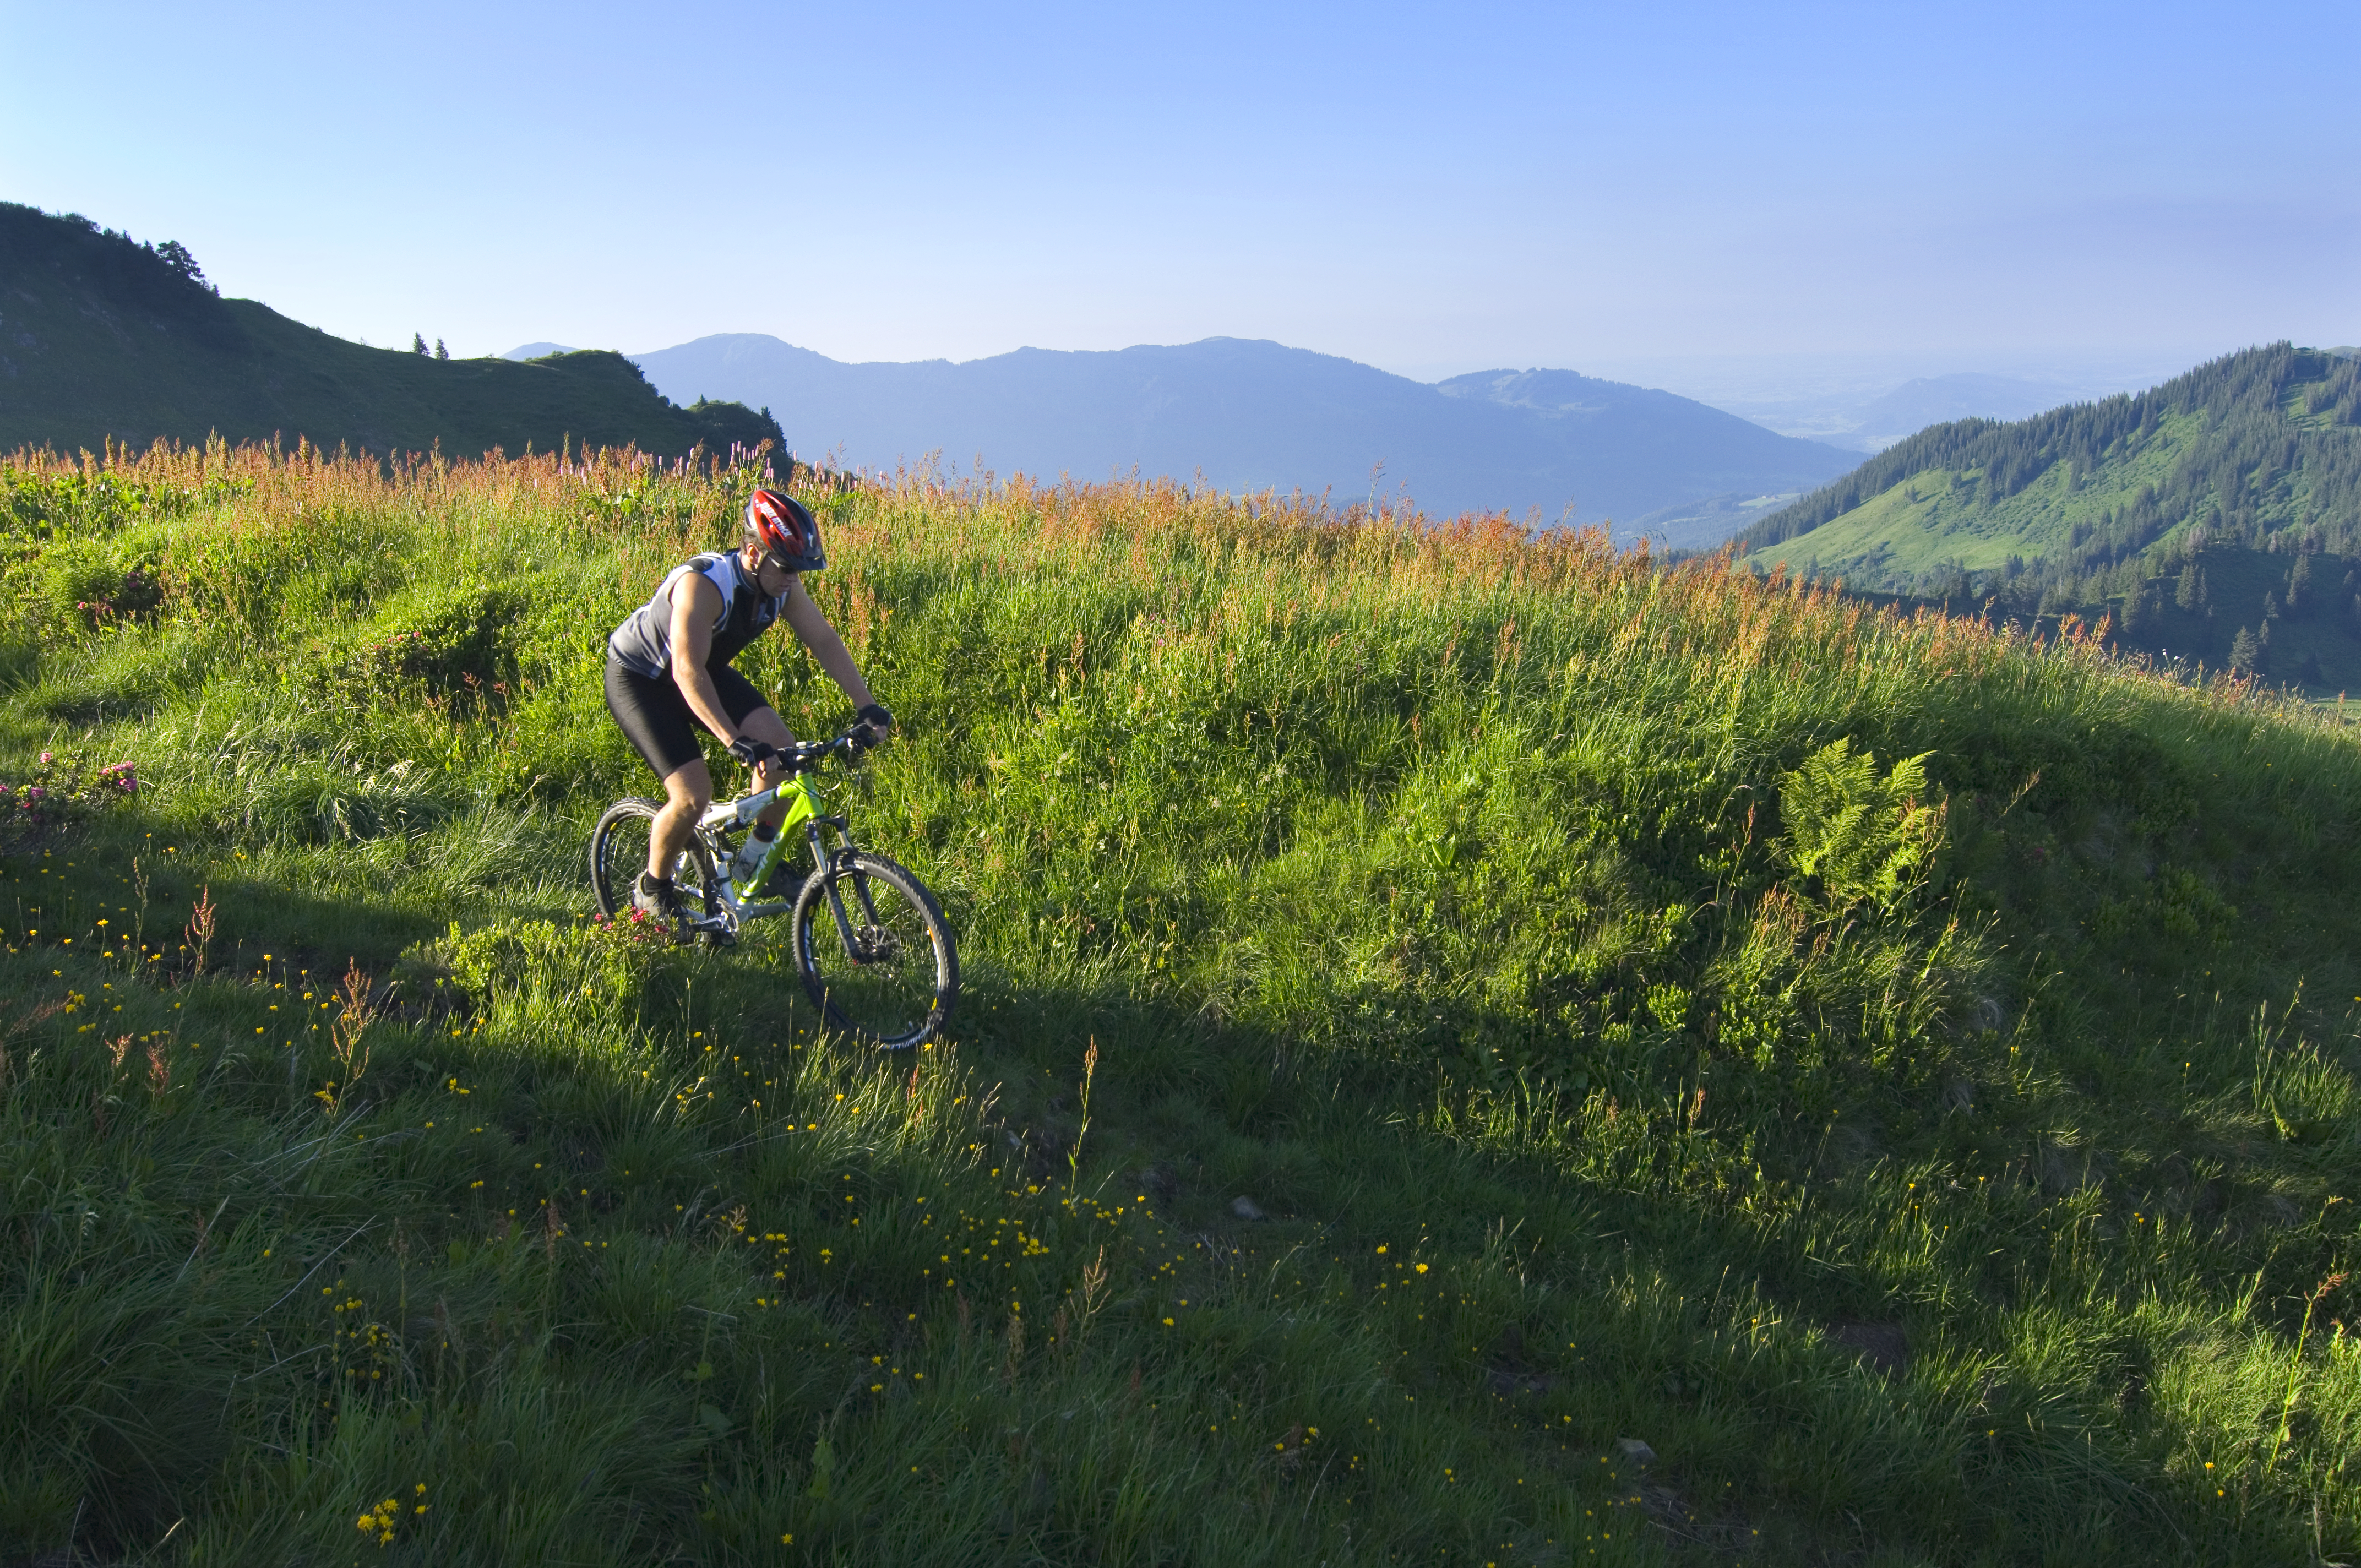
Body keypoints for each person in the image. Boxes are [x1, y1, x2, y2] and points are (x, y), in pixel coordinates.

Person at [605, 487, 891, 936]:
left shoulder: (781, 588)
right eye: (787, 566)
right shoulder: (704, 585)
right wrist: (732, 739)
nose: (794, 579)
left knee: (783, 751)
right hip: (643, 679)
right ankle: (652, 887)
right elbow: (684, 670)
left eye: (800, 569)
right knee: (692, 795)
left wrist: (866, 705)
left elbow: (825, 641)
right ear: (755, 555)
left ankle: (754, 862)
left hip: (704, 670)